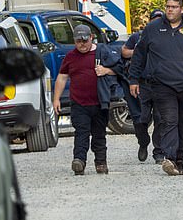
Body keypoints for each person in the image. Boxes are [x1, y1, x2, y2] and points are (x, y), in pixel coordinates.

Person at [129, 0, 183, 176]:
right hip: (161, 84)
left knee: (181, 121)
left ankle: (179, 160)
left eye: (174, 7)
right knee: (169, 120)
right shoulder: (153, 28)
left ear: (182, 9)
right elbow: (139, 54)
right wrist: (134, 79)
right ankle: (169, 158)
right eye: (168, 6)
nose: (170, 10)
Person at [53, 24, 112, 175]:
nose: (82, 44)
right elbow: (62, 77)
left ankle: (101, 162)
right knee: (81, 132)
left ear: (91, 37)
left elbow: (119, 69)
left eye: (85, 41)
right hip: (79, 103)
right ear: (74, 41)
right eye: (78, 41)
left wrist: (106, 70)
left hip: (100, 102)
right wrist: (56, 99)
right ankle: (79, 161)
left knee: (99, 134)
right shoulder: (70, 56)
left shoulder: (102, 52)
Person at [121, 9, 165, 164]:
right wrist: (139, 51)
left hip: (161, 84)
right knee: (140, 118)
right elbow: (124, 52)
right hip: (142, 83)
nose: (157, 22)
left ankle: (158, 152)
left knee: (160, 119)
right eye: (155, 19)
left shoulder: (167, 37)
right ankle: (143, 142)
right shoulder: (138, 37)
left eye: (160, 19)